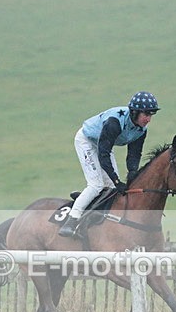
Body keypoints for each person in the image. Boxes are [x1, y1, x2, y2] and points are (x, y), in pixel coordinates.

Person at [58, 91, 159, 237]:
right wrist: (117, 180)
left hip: (104, 145)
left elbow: (134, 155)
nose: (149, 119)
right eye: (146, 114)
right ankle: (71, 221)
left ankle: (89, 203)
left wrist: (132, 175)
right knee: (96, 185)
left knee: (111, 188)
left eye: (151, 115)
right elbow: (103, 155)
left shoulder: (141, 130)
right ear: (135, 112)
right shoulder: (114, 123)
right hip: (87, 141)